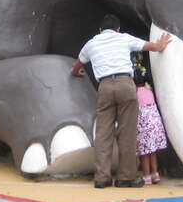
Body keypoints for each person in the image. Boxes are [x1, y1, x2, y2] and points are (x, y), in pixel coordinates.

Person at [71, 14, 172, 188]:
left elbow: (78, 64)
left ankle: (102, 178)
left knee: (103, 134)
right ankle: (126, 177)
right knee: (127, 133)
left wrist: (76, 72)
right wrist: (160, 45)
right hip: (126, 85)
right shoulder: (124, 38)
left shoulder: (92, 43)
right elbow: (149, 46)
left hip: (105, 86)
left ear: (100, 30)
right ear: (118, 29)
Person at [134, 66, 167, 185]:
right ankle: (155, 174)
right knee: (153, 151)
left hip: (143, 126)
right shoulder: (149, 91)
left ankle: (146, 175)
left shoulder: (135, 93)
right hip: (155, 125)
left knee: (144, 153)